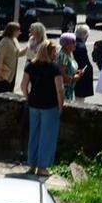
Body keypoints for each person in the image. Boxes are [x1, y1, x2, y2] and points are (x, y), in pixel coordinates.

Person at [20, 41, 65, 175]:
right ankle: (42, 167)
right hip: (50, 106)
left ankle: (32, 165)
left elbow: (23, 86)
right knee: (47, 136)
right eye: (54, 51)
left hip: (34, 104)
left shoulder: (30, 66)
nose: (56, 54)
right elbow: (60, 90)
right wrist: (61, 106)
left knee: (34, 134)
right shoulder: (54, 68)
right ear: (48, 52)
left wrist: (28, 97)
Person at [0, 22, 23, 94]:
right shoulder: (5, 42)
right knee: (3, 92)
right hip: (4, 73)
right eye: (18, 30)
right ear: (12, 31)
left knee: (10, 91)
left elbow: (17, 54)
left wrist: (28, 49)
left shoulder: (14, 40)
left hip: (12, 73)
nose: (19, 32)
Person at [71, 24, 95, 101]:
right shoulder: (80, 46)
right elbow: (83, 64)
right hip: (80, 80)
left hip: (76, 78)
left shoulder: (73, 43)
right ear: (86, 35)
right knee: (79, 101)